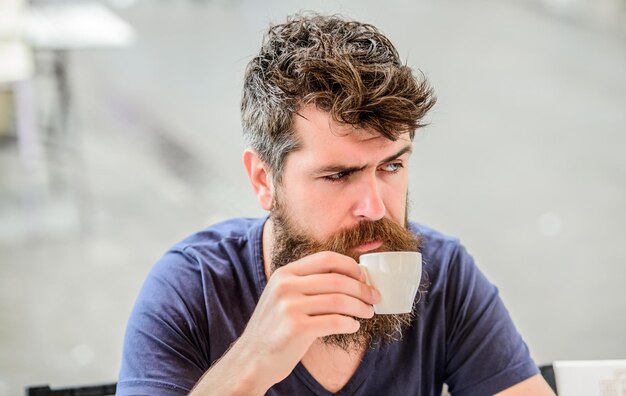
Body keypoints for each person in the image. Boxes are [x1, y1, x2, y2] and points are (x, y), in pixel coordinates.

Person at [116, 13, 555, 396]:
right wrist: (252, 362)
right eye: (338, 175)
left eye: (391, 167)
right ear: (263, 180)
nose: (375, 207)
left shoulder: (442, 275)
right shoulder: (194, 290)